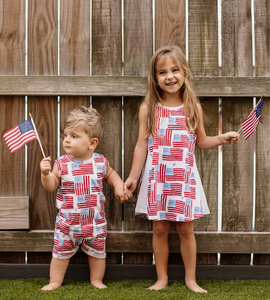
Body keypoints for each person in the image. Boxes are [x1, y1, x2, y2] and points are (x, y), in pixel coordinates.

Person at [124, 45, 239, 293]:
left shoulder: (192, 109)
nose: (170, 76)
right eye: (162, 72)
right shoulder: (149, 109)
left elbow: (202, 141)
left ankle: (190, 279)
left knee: (186, 228)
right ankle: (162, 278)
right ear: (155, 78)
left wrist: (222, 138)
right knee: (159, 228)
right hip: (157, 179)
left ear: (184, 72)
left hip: (183, 180)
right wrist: (133, 177)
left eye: (175, 70)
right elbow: (141, 146)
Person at [40, 106, 131, 291]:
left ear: (92, 143)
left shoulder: (100, 162)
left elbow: (111, 175)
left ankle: (96, 280)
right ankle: (55, 282)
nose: (67, 140)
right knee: (60, 254)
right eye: (66, 135)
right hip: (67, 225)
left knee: (98, 254)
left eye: (74, 136)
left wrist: (119, 186)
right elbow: (51, 186)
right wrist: (45, 174)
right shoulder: (62, 164)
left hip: (94, 224)